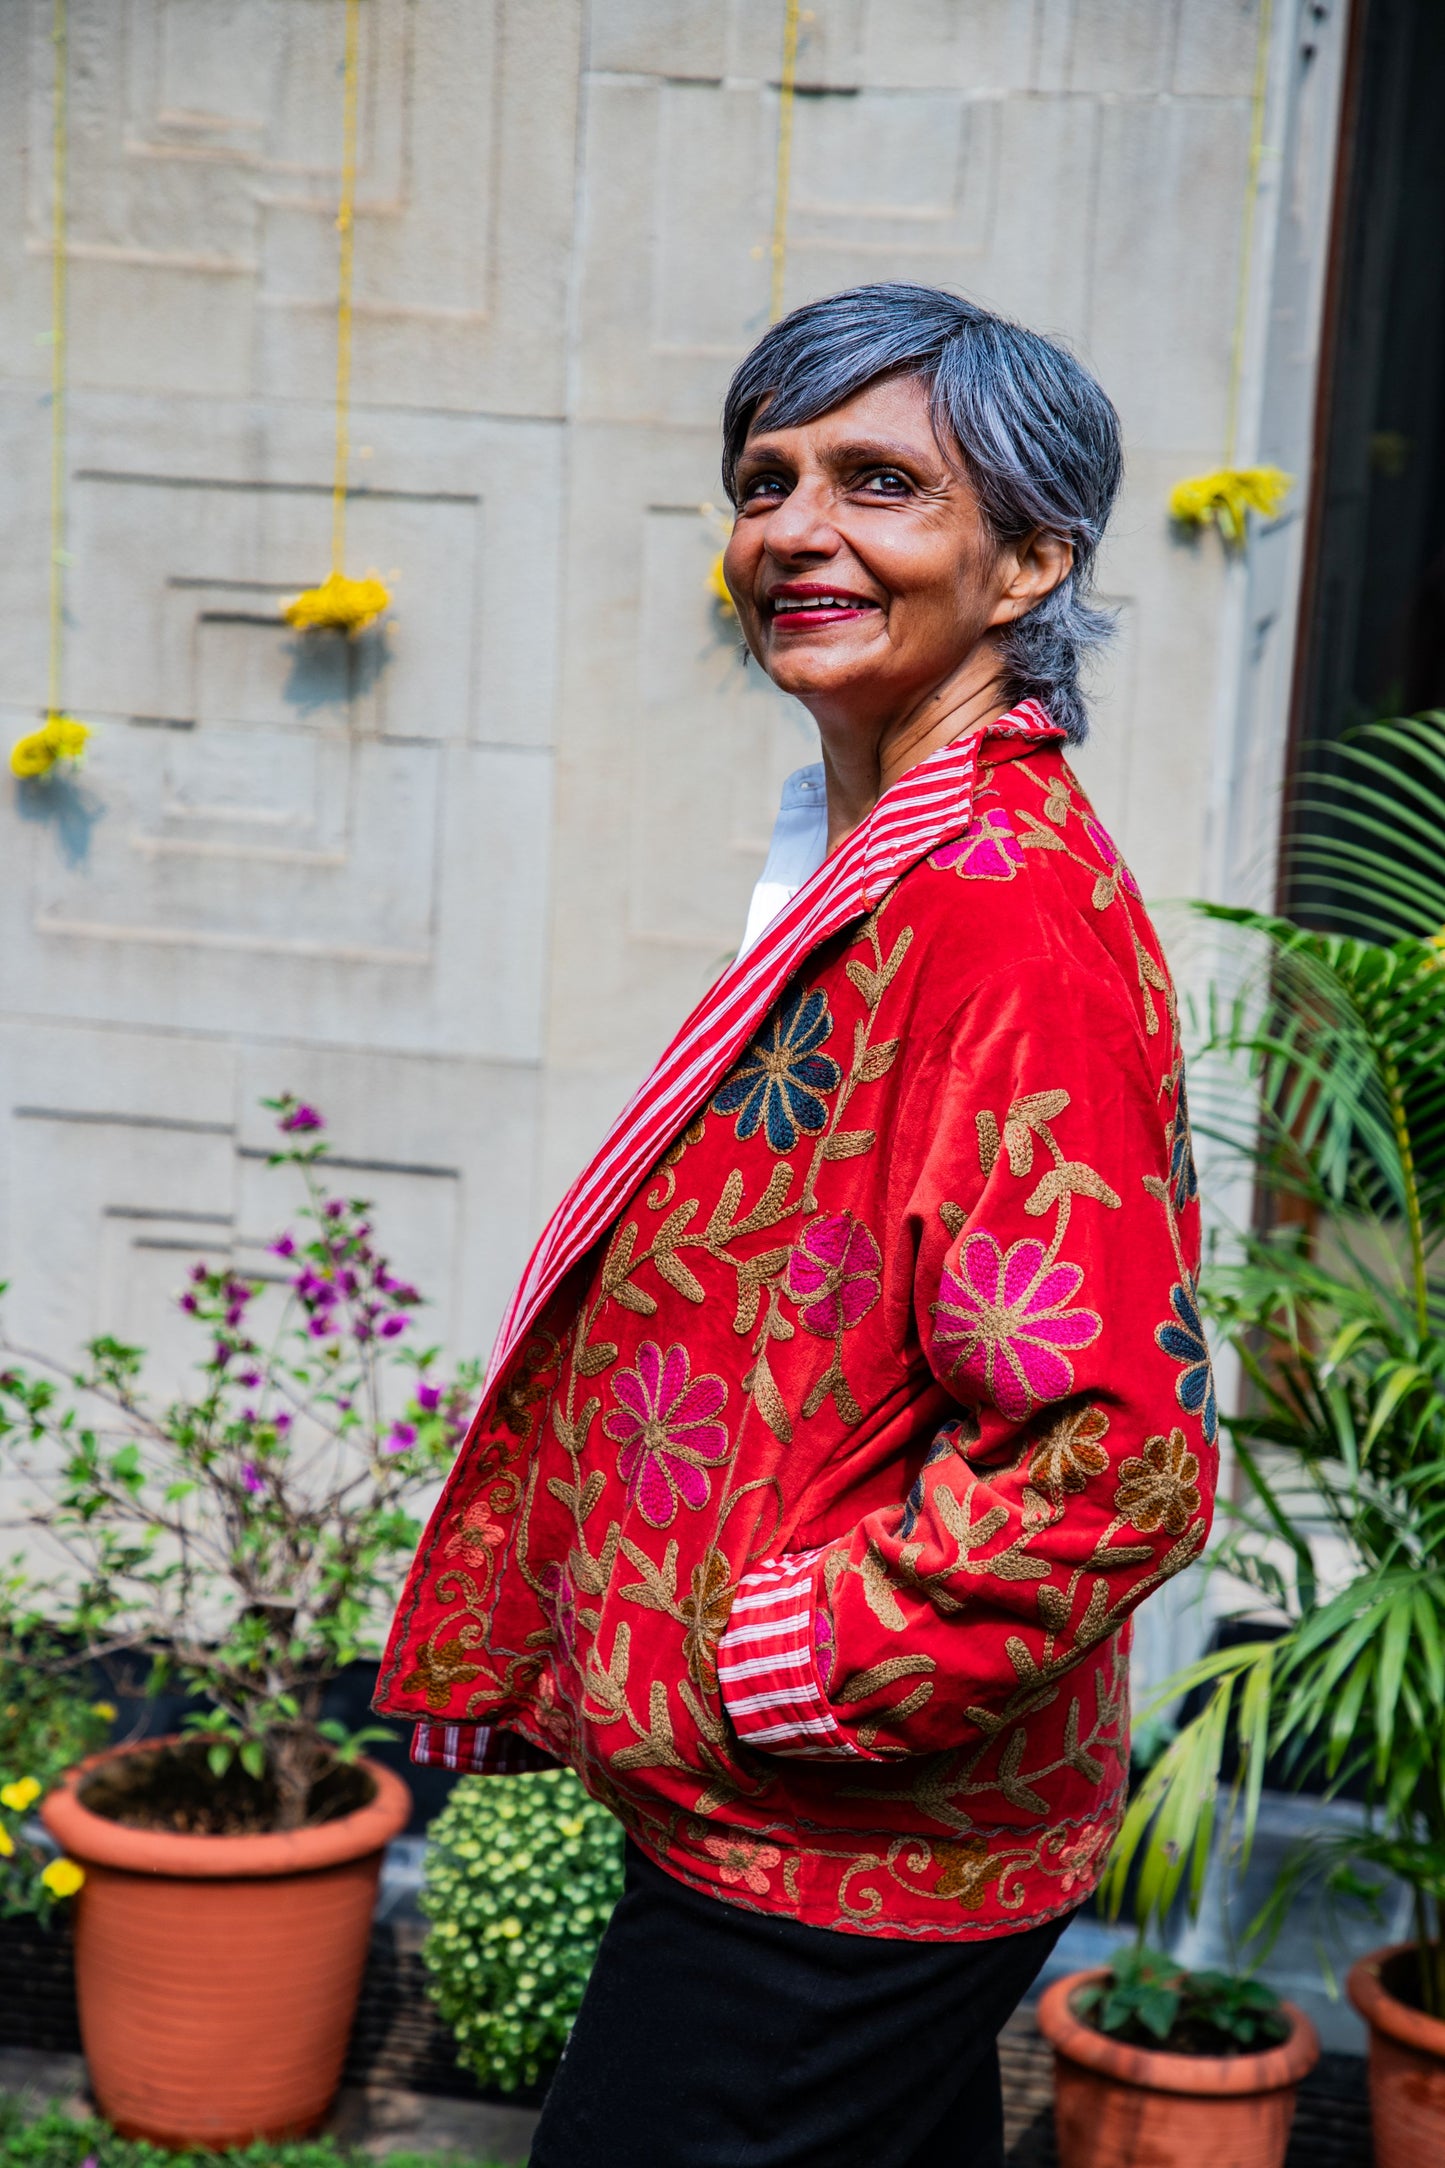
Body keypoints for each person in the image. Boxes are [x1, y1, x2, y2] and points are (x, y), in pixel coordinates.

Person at [375, 283, 1216, 2167]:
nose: (794, 530)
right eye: (764, 480)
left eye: (880, 484)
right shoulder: (876, 852)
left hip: (839, 1842)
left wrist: (774, 1669)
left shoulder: (992, 905)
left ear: (1028, 563)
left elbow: (1113, 1457)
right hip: (815, 1816)